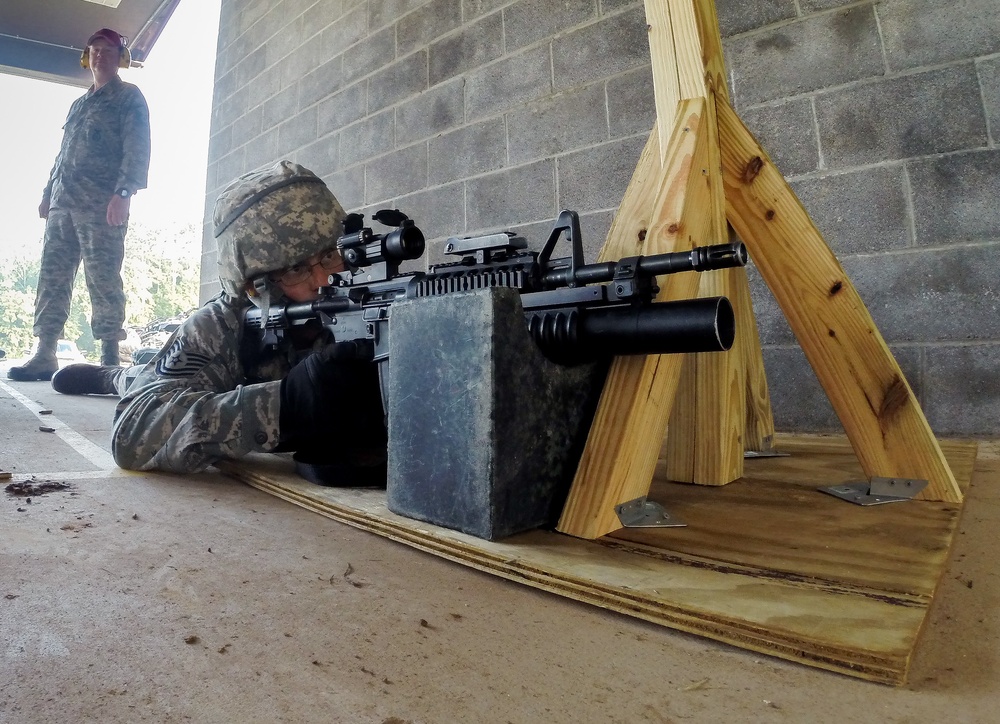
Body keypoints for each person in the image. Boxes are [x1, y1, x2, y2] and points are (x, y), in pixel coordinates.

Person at [51, 160, 386, 480]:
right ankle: (114, 376)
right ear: (256, 284)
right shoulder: (219, 324)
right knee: (140, 377)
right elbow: (133, 432)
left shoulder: (363, 305)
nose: (325, 281)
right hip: (211, 375)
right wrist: (284, 404)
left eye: (330, 256)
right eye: (297, 269)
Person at [9, 28, 151, 381]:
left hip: (100, 204)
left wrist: (123, 194)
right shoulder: (80, 103)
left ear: (120, 57)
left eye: (108, 49)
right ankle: (44, 352)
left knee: (102, 277)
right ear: (87, 56)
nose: (100, 55)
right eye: (95, 49)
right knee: (52, 277)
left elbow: (137, 147)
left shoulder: (128, 97)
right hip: (63, 203)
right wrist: (47, 193)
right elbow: (64, 154)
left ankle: (108, 355)